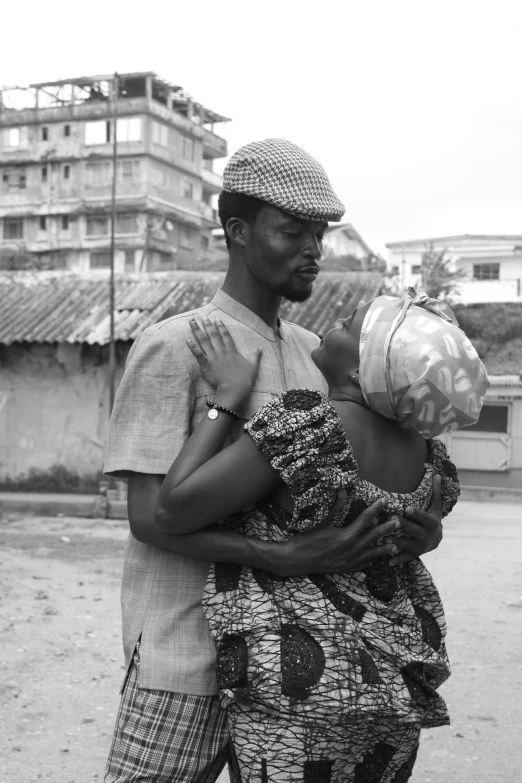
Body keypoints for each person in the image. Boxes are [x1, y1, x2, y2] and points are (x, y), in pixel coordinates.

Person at [103, 139, 435, 783]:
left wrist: (417, 528)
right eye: (292, 231)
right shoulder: (175, 347)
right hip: (187, 655)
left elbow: (354, 495)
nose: (314, 250)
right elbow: (148, 518)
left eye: (320, 234)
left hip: (301, 674)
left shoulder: (322, 356)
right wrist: (281, 557)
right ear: (237, 231)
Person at [154, 288, 489, 783]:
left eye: (349, 322)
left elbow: (171, 509)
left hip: (301, 695)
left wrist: (225, 400)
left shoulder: (311, 427)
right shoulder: (427, 457)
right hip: (388, 698)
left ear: (362, 370)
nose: (334, 320)